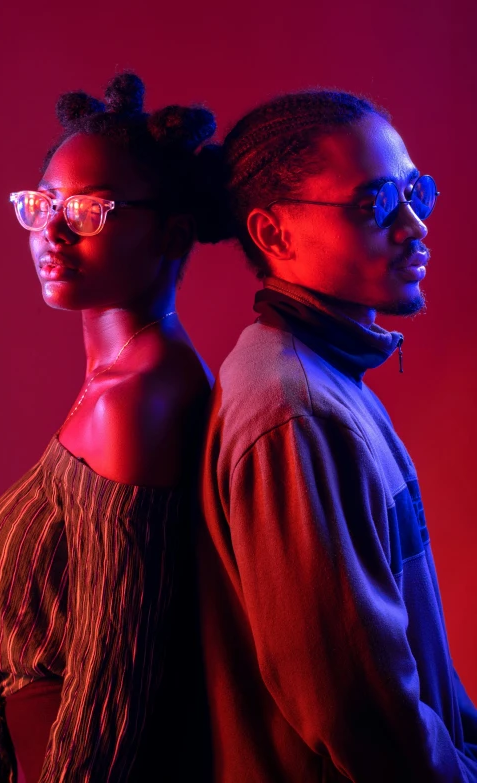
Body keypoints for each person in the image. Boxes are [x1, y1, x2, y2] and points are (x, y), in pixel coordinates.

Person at [196, 91, 477, 781]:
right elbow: (360, 713)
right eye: (377, 203)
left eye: (417, 192)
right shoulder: (294, 411)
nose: (415, 226)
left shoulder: (327, 378)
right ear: (274, 234)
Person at [0, 72, 214, 783]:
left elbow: (115, 690)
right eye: (43, 202)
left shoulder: (136, 398)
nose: (51, 228)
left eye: (86, 208)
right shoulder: (119, 382)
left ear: (170, 231)